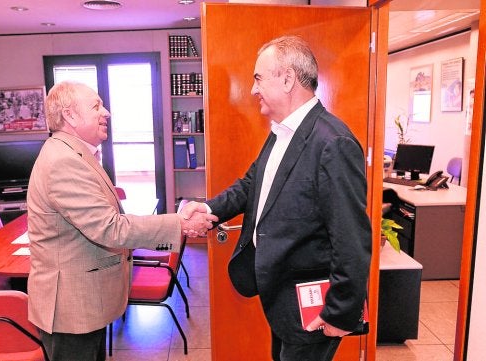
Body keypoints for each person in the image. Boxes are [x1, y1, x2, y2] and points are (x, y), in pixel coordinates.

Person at [181, 35, 372, 361]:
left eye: (258, 78)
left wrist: (340, 312)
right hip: (283, 297)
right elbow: (252, 184)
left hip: (314, 306)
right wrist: (210, 207)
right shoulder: (282, 131)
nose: (253, 89)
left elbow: (351, 238)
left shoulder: (333, 142)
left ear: (287, 79)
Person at [26, 81, 218, 361]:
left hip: (84, 302)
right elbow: (109, 228)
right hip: (71, 308)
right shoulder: (63, 161)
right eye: (96, 106)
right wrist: (179, 223)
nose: (106, 112)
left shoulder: (76, 154)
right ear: (70, 115)